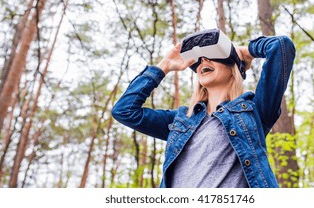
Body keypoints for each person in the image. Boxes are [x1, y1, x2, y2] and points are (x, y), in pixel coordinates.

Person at [112, 29, 296, 188]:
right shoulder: (181, 119)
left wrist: (244, 52)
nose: (203, 61)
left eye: (214, 56)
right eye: (199, 61)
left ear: (234, 68)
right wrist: (164, 66)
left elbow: (281, 46)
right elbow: (124, 111)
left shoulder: (255, 111)